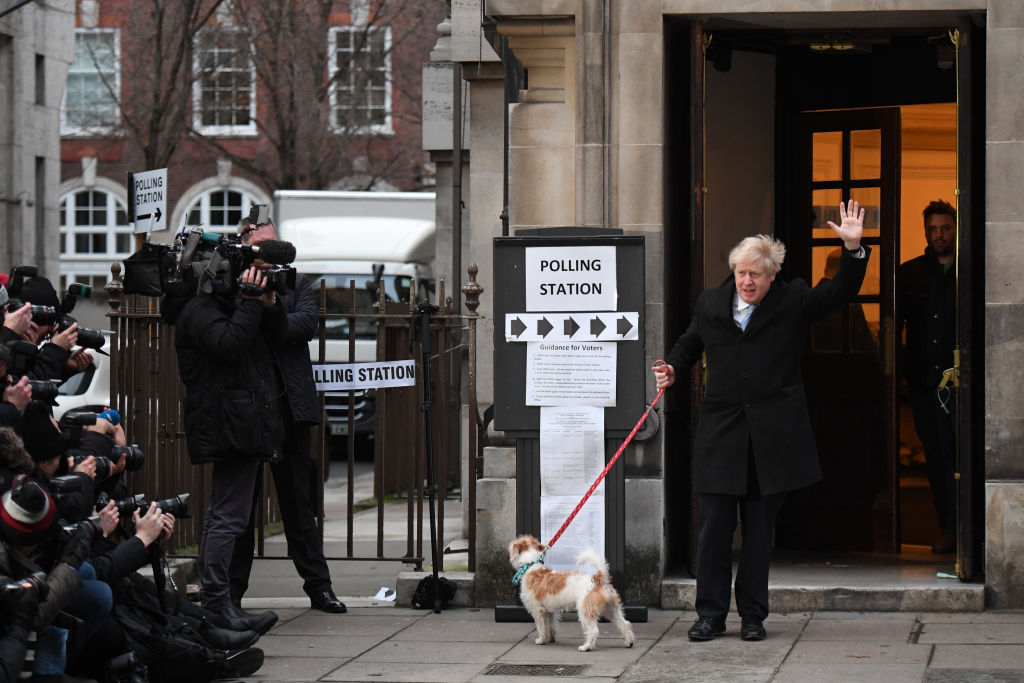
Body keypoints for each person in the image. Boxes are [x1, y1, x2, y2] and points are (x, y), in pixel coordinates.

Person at [653, 200, 869, 642]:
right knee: (713, 530)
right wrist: (673, 369)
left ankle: (753, 615)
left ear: (772, 276)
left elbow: (840, 293)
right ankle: (710, 614)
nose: (747, 281)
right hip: (721, 434)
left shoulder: (793, 301)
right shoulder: (712, 303)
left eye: (756, 274)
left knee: (757, 533)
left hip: (771, 439)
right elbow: (689, 343)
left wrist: (852, 249)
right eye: (741, 273)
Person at [227, 217, 346, 613]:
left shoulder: (297, 283)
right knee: (241, 506)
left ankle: (319, 587)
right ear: (244, 246)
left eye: (274, 245)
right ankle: (231, 591)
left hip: (290, 409)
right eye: (261, 246)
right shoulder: (231, 283)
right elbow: (233, 333)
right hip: (249, 409)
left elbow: (303, 325)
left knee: (298, 504)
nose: (269, 255)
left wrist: (266, 311)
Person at [174, 259, 284, 635]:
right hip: (228, 422)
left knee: (225, 513)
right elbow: (228, 345)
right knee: (228, 516)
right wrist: (251, 303)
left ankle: (216, 602)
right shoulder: (201, 311)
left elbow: (274, 339)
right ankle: (217, 603)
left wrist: (263, 303)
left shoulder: (223, 307)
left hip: (240, 420)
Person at [896, 199, 957, 554]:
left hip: (961, 382)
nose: (938, 235)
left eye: (945, 228)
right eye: (932, 229)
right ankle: (947, 527)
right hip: (923, 382)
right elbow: (896, 325)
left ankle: (970, 529)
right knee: (936, 456)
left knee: (962, 454)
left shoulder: (968, 270)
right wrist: (900, 370)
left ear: (955, 229)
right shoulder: (910, 273)